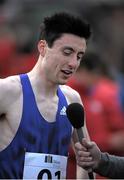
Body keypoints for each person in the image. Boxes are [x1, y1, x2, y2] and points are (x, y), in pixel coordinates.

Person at [0, 12, 91, 179]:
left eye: (79, 56)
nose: (73, 63)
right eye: (67, 52)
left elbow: (85, 159)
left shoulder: (73, 100)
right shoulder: (8, 91)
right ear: (42, 47)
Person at [67, 51, 124, 178]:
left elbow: (118, 129)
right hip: (71, 170)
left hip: (103, 171)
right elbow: (68, 144)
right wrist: (108, 142)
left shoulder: (108, 92)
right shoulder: (67, 95)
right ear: (82, 72)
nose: (97, 79)